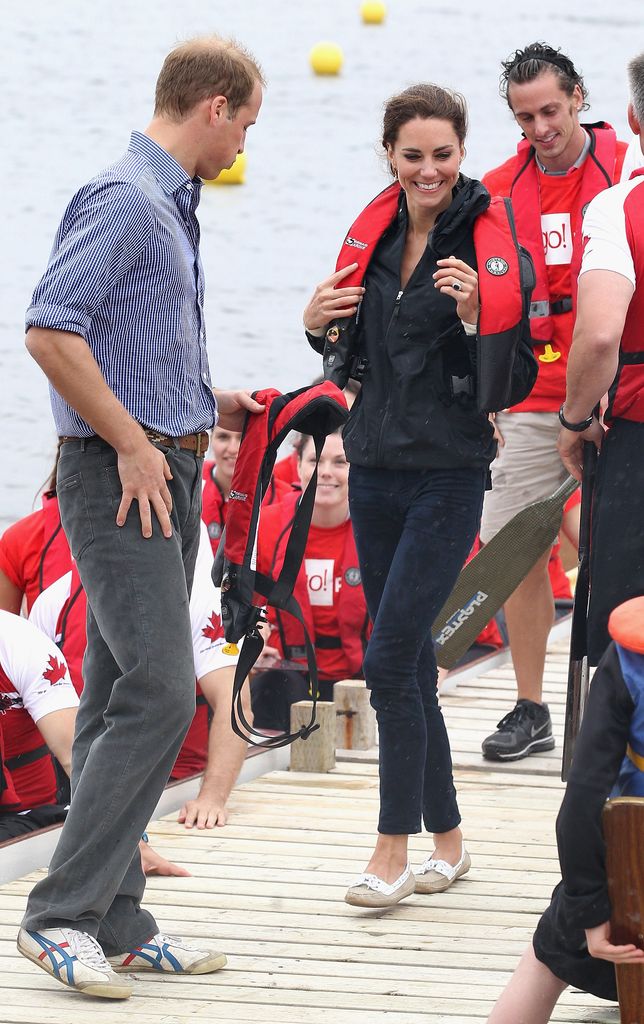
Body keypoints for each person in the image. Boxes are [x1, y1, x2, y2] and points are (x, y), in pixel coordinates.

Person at [17, 35, 265, 1000]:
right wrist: (129, 440)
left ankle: (117, 919)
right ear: (213, 105)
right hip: (124, 478)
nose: (246, 139)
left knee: (129, 691)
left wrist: (210, 403)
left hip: (164, 466)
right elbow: (49, 327)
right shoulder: (126, 198)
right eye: (245, 120)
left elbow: (128, 343)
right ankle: (59, 915)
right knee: (163, 692)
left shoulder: (167, 202)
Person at [303, 83, 533, 908]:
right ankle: (452, 843)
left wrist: (479, 319)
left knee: (391, 657)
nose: (429, 169)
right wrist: (310, 318)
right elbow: (343, 346)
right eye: (413, 156)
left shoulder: (489, 236)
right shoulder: (376, 236)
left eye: (443, 154)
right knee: (411, 671)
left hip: (449, 469)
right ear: (390, 156)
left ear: (462, 153)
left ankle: (390, 850)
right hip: (371, 466)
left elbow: (524, 371)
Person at [479, 42, 628, 762]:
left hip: (618, 393)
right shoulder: (496, 188)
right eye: (524, 116)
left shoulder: (628, 165)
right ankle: (530, 705)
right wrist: (482, 397)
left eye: (550, 110)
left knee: (612, 545)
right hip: (532, 399)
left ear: (578, 98)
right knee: (512, 550)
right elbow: (483, 305)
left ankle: (619, 688)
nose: (540, 128)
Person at [487, 596, 644, 1023]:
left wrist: (590, 912)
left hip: (631, 886)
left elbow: (580, 806)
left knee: (548, 951)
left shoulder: (632, 658)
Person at [558, 52, 644, 664]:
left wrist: (574, 418)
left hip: (637, 438)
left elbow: (597, 337)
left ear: (634, 119)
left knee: (625, 623)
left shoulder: (619, 208)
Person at [251, 430, 369, 731]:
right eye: (316, 460)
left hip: (361, 677)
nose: (326, 472)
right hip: (288, 673)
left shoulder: (379, 532)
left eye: (340, 462)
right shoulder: (266, 527)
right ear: (298, 465)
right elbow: (243, 603)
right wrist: (252, 638)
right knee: (271, 685)